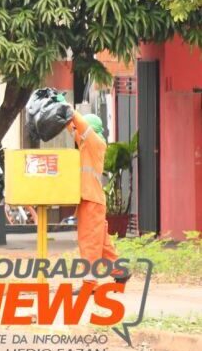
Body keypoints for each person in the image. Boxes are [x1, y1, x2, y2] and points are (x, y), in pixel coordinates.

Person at [66, 110, 130, 290]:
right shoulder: (87, 145)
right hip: (91, 199)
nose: (78, 134)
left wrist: (69, 110)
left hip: (91, 200)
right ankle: (120, 272)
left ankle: (90, 283)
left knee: (89, 242)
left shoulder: (95, 143)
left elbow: (81, 128)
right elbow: (75, 131)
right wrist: (63, 115)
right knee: (101, 242)